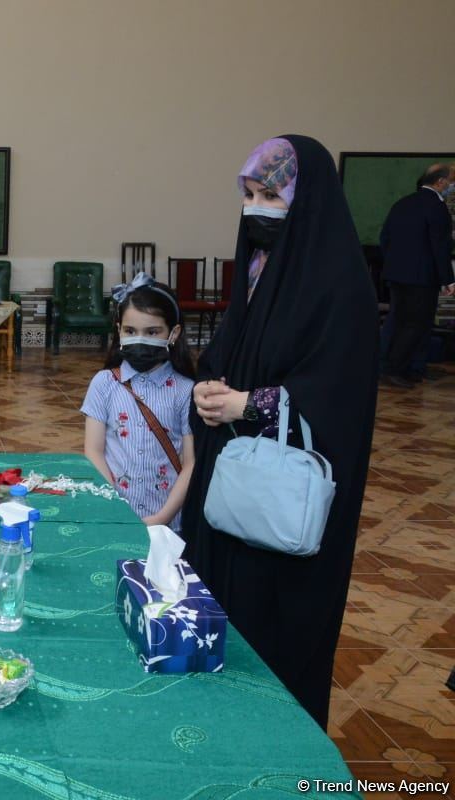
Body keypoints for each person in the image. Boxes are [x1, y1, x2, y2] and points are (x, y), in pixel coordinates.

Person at [181, 136, 379, 728]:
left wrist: (249, 403)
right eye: (248, 194)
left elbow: (338, 398)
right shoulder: (259, 273)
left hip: (285, 505)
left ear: (308, 201)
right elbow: (228, 354)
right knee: (222, 617)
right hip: (231, 493)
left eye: (271, 194)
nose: (256, 207)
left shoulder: (340, 286)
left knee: (276, 639)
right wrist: (208, 389)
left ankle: (280, 748)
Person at [81, 274, 196, 529]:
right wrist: (115, 506)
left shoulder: (186, 391)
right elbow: (93, 451)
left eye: (152, 331)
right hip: (114, 517)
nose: (140, 339)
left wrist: (162, 518)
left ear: (173, 333)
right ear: (118, 329)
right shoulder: (104, 384)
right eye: (130, 331)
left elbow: (190, 463)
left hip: (168, 521)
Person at [379, 163, 455, 387]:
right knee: (416, 325)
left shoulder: (403, 203)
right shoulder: (437, 207)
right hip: (422, 278)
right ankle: (396, 369)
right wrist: (448, 279)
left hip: (396, 275)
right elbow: (439, 247)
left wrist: (395, 265)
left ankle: (398, 367)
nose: (452, 186)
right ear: (440, 182)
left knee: (397, 322)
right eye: (451, 181)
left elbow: (385, 238)